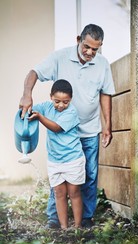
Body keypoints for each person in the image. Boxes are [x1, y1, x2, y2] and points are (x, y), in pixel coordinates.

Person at [19, 23, 115, 228]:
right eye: (86, 46)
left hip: (89, 129)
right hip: (62, 134)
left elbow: (105, 94)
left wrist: (107, 126)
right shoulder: (59, 58)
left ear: (100, 47)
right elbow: (33, 72)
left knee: (89, 174)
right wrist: (27, 94)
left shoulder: (103, 64)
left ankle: (86, 217)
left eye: (95, 49)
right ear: (78, 39)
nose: (90, 52)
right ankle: (54, 218)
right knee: (59, 175)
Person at [28, 79, 86, 229]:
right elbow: (29, 108)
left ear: (70, 100)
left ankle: (78, 226)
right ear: (50, 97)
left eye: (65, 102)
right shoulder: (46, 107)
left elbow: (56, 128)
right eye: (57, 101)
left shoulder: (71, 112)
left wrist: (39, 117)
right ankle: (64, 228)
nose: (61, 105)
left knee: (74, 193)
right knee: (59, 193)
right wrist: (25, 101)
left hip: (73, 159)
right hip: (54, 160)